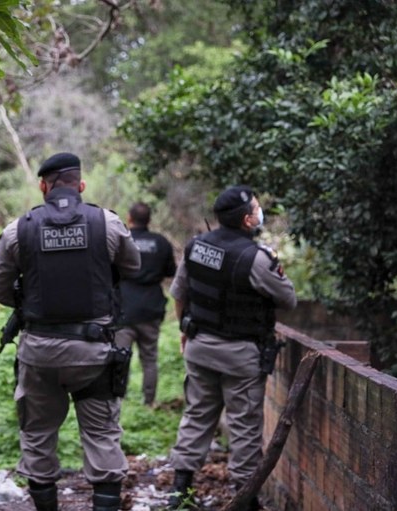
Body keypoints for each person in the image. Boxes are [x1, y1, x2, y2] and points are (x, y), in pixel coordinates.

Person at [0, 152, 141, 511]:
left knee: (38, 438)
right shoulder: (108, 223)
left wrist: (30, 304)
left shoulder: (18, 229)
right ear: (81, 185)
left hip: (39, 352)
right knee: (102, 438)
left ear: (43, 186)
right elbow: (133, 266)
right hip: (95, 351)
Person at [166, 185, 296, 510]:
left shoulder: (195, 247)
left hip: (199, 347)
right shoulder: (256, 258)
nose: (259, 212)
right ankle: (245, 498)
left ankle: (179, 492)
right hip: (241, 355)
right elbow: (288, 299)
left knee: (197, 415)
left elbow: (180, 293)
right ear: (247, 220)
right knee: (244, 425)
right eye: (256, 208)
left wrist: (185, 330)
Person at [114, 202, 176, 406]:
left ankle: (117, 398)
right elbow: (170, 271)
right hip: (151, 308)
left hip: (124, 308)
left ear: (129, 218)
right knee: (150, 359)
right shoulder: (161, 242)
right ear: (149, 220)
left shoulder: (121, 241)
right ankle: (148, 402)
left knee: (120, 357)